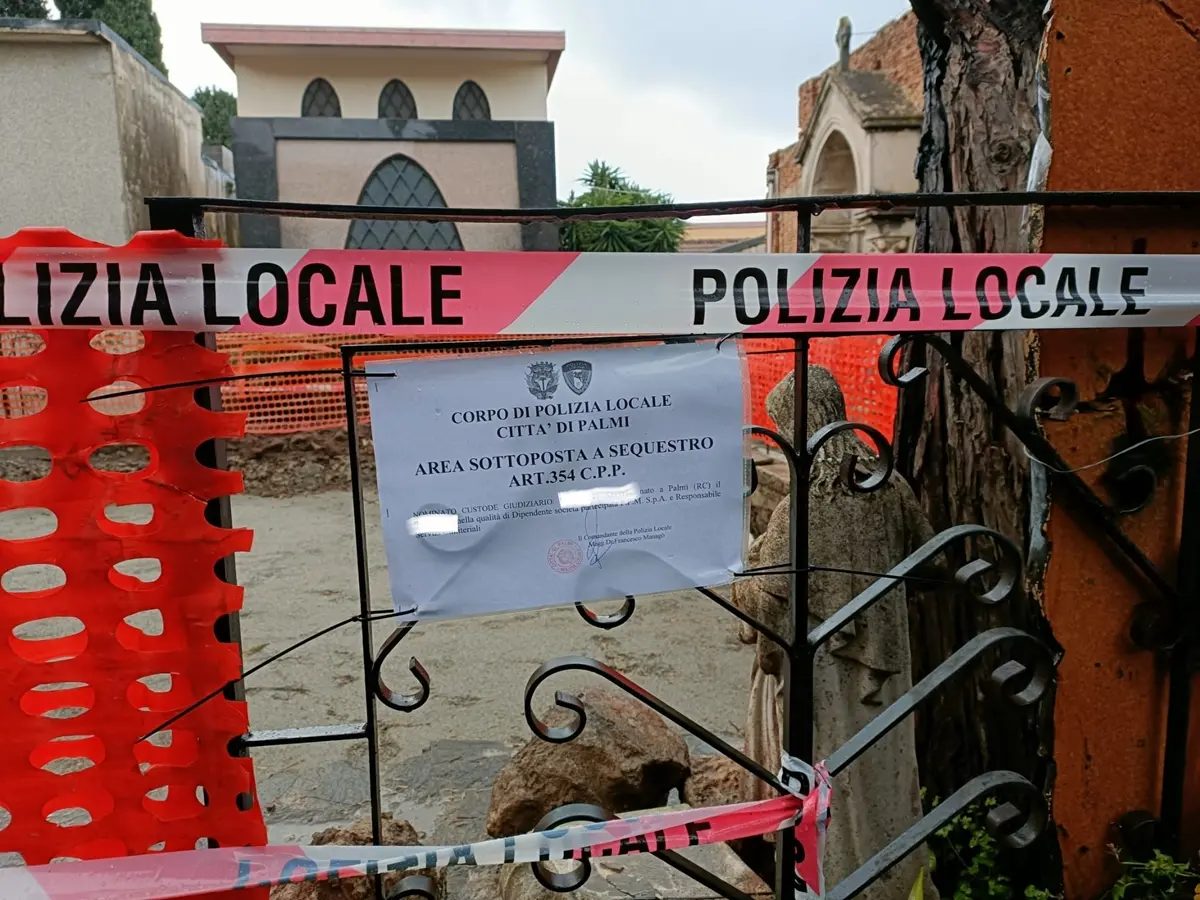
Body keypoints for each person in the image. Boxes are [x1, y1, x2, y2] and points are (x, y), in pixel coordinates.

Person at [734, 366, 938, 899]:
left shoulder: (800, 507)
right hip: (890, 667)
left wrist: (748, 564)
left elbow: (760, 605)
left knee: (833, 785)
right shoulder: (888, 484)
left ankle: (840, 886)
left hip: (824, 676)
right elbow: (930, 563)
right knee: (889, 779)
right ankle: (900, 884)